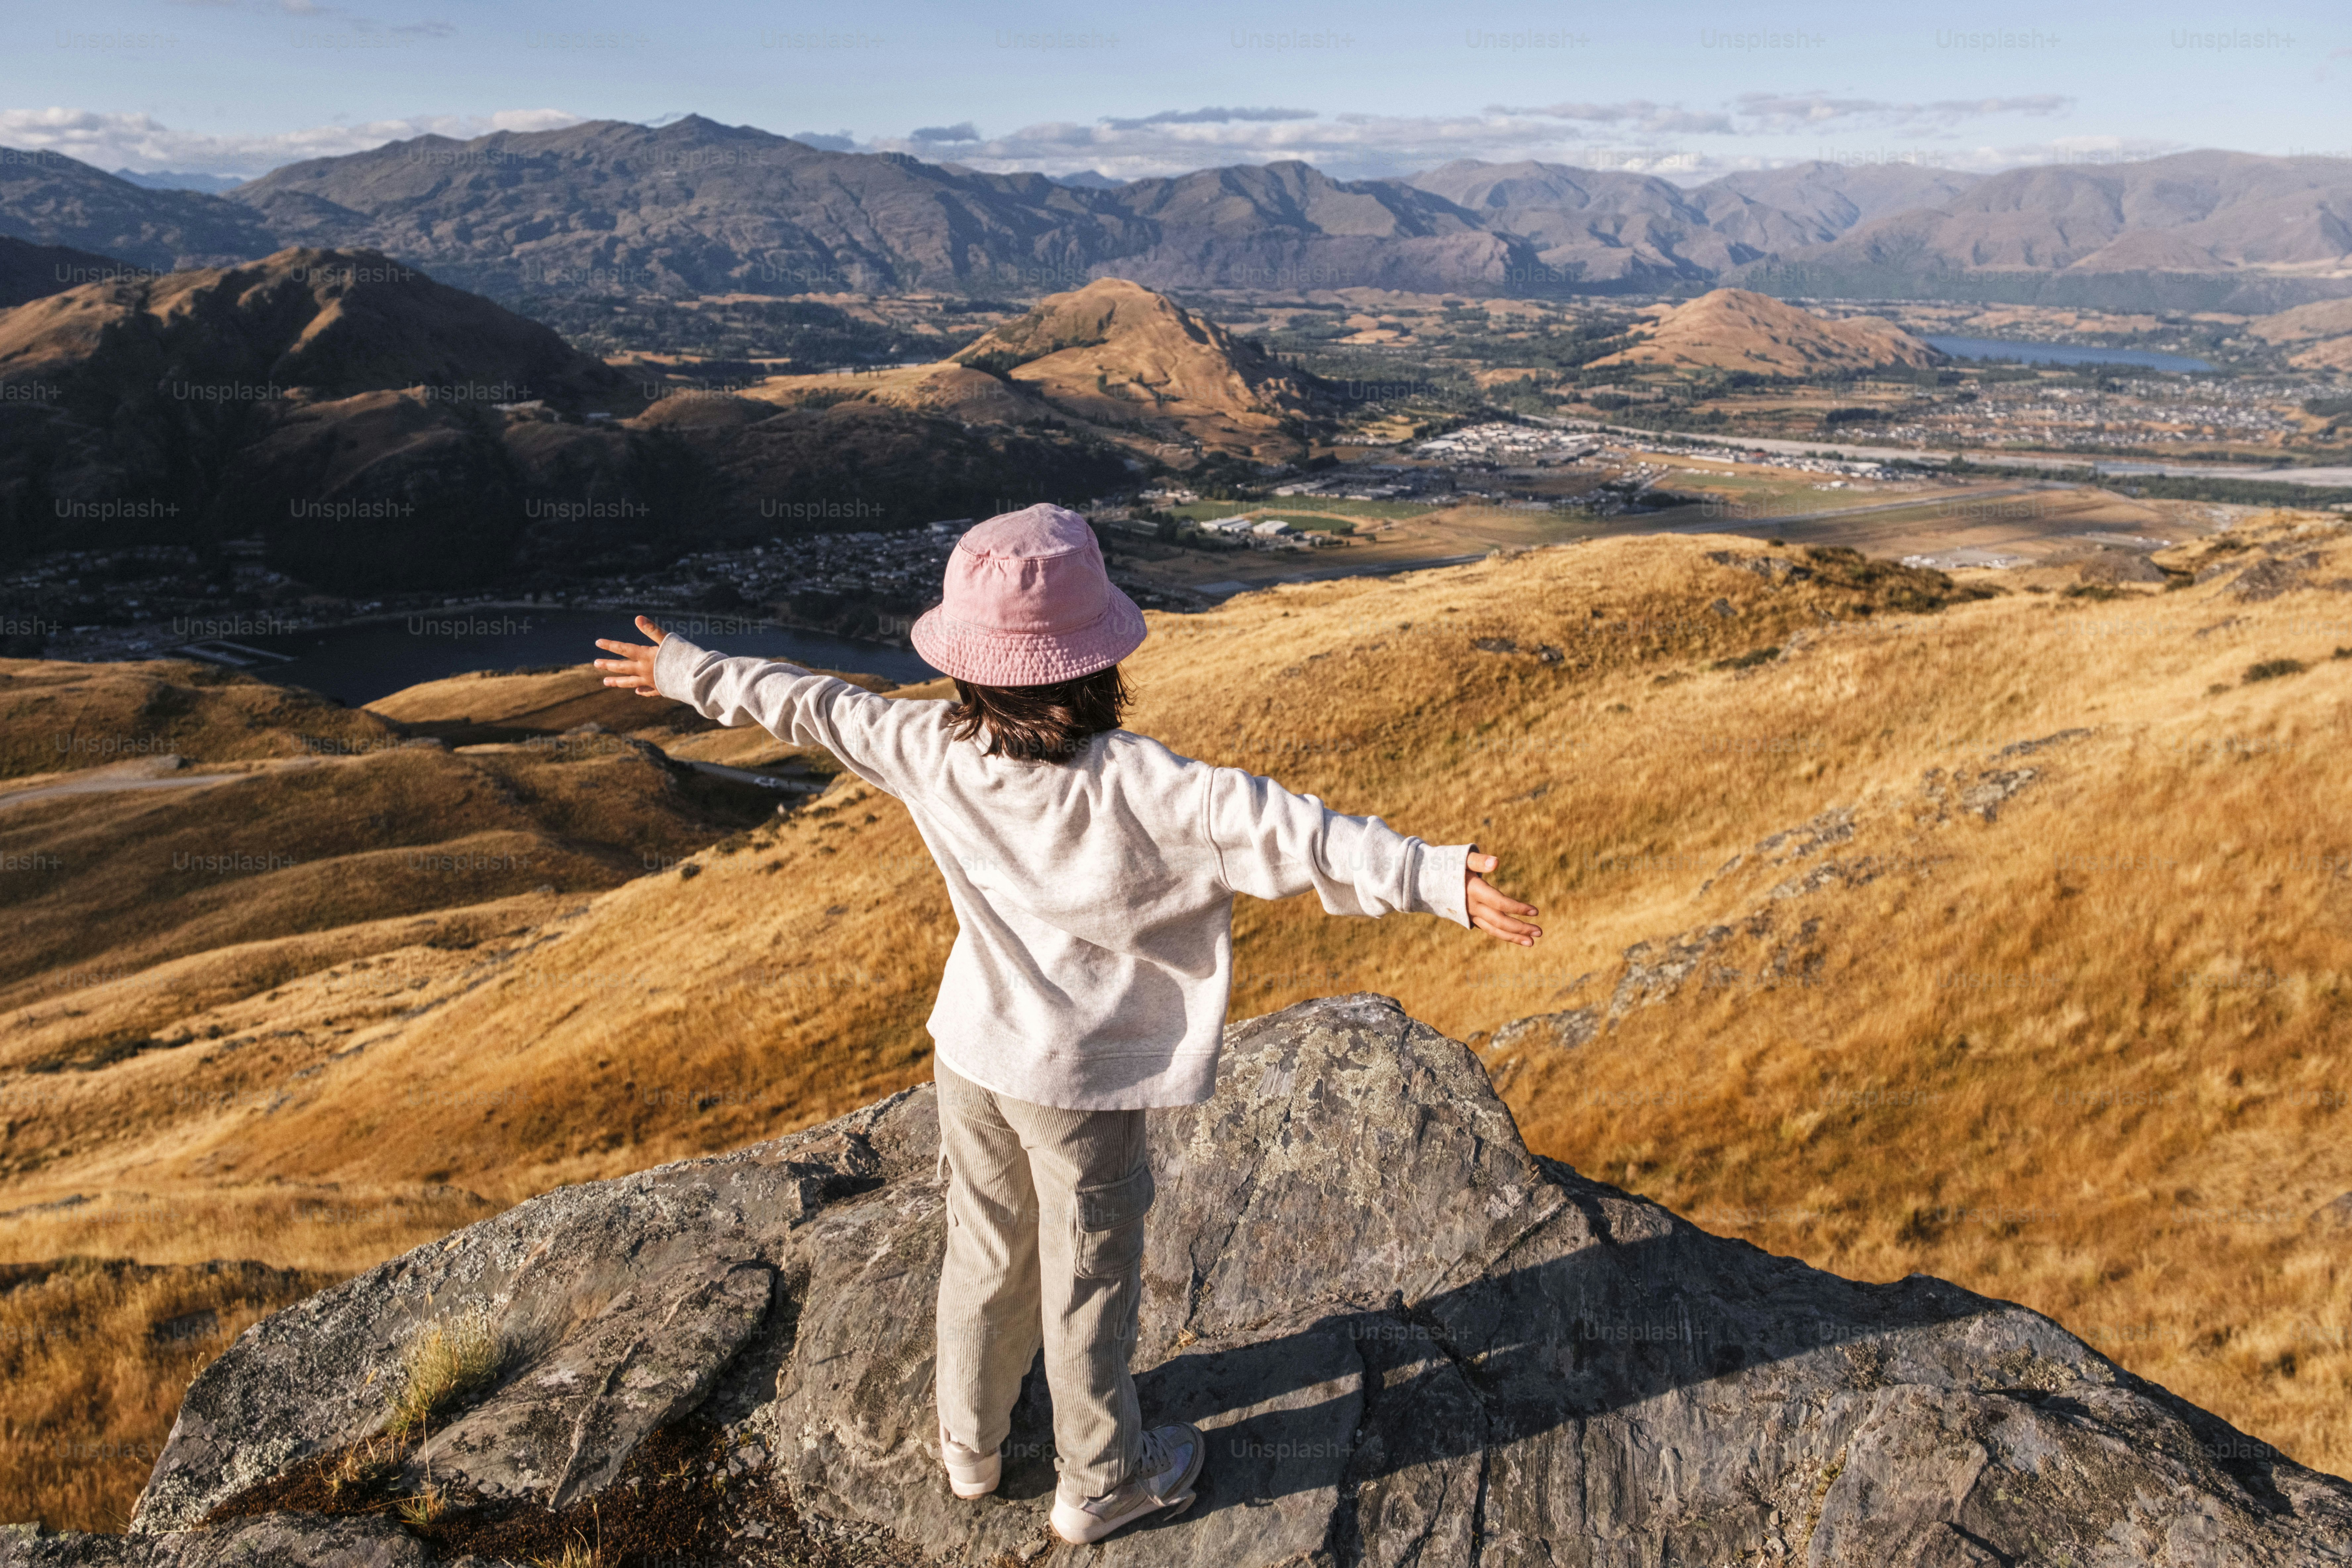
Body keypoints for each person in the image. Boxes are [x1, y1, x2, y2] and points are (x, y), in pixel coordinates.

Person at [594, 503, 1540, 1544]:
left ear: (969, 665)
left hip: (970, 1055)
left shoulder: (929, 746)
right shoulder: (1150, 790)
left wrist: (686, 669)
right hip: (1079, 1084)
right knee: (1090, 1278)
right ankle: (1099, 1481)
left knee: (985, 1245)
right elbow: (1297, 836)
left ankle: (969, 1444)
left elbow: (817, 707)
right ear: (1099, 665)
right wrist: (1438, 878)